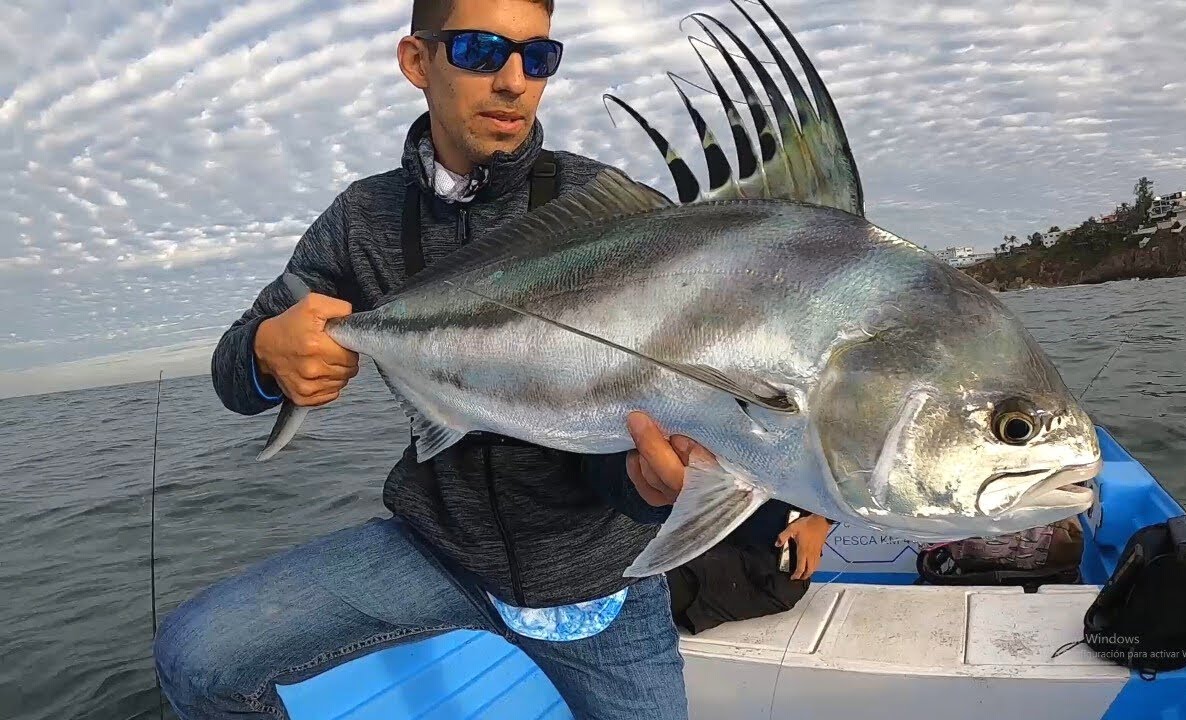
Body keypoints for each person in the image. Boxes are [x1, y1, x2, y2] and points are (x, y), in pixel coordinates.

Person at [153, 2, 710, 718]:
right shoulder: (364, 218)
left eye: (538, 58)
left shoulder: (611, 211)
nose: (514, 81)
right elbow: (235, 364)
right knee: (197, 656)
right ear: (418, 61)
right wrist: (267, 355)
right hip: (435, 553)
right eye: (481, 51)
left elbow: (646, 411)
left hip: (601, 582)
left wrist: (645, 483)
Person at [667, 501, 832, 635]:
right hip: (692, 531)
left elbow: (852, 478)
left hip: (765, 566)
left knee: (652, 586)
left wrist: (822, 518)